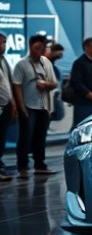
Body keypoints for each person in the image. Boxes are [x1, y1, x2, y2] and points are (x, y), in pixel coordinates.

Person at [11, 35, 58, 177]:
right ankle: (23, 167)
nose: (39, 50)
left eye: (42, 48)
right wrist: (21, 108)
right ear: (30, 46)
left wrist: (46, 84)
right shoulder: (22, 64)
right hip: (28, 106)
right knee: (25, 137)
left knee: (40, 137)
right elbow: (17, 86)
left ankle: (40, 165)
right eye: (37, 47)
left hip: (43, 107)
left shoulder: (46, 63)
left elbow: (54, 84)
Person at [0, 33, 18, 180]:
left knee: (1, 138)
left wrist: (13, 103)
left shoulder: (4, 60)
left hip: (6, 106)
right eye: (1, 43)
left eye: (5, 43)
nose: (3, 46)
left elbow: (7, 83)